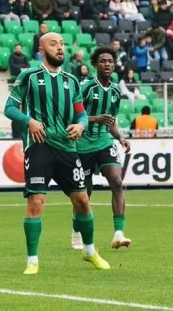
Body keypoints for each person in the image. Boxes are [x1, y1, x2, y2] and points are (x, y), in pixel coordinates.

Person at [3, 32, 111, 275]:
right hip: (39, 145)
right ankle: (32, 260)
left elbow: (80, 113)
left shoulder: (72, 81)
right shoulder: (28, 76)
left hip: (67, 147)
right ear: (42, 49)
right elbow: (9, 108)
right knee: (36, 201)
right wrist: (29, 121)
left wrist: (82, 124)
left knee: (82, 201)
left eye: (62, 44)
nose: (60, 48)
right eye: (54, 44)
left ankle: (90, 251)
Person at [71, 47, 133, 251]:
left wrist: (120, 137)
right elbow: (72, 117)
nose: (107, 64)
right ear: (95, 65)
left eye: (110, 61)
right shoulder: (86, 87)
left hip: (104, 141)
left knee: (116, 181)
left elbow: (111, 121)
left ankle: (118, 233)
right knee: (84, 193)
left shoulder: (116, 91)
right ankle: (77, 230)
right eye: (103, 61)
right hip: (83, 143)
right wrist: (95, 118)